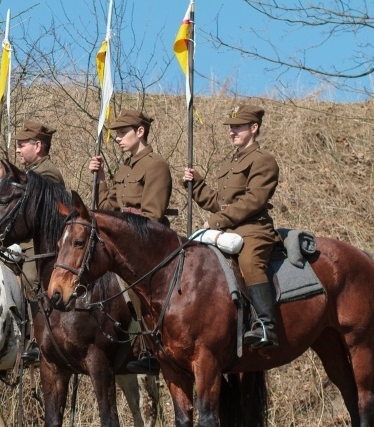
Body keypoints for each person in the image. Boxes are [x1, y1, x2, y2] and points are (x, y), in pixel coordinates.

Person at [184, 104, 281, 348]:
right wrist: (196, 185)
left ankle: (266, 325)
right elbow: (220, 203)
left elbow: (253, 201)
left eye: (238, 127)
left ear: (254, 128)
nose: (232, 131)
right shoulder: (229, 164)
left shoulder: (264, 161)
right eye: (231, 127)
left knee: (249, 262)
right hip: (228, 229)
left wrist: (216, 221)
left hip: (254, 229)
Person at [88, 109, 173, 374]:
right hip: (124, 245)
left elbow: (153, 215)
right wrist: (101, 178)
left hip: (149, 245)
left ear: (140, 132)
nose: (117, 138)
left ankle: (150, 346)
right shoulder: (125, 168)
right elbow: (106, 207)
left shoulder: (156, 165)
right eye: (116, 134)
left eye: (123, 133)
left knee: (137, 286)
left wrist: (124, 219)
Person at [0, 119, 65, 364]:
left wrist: (7, 179)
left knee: (31, 277)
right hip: (22, 239)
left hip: (41, 243)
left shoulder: (48, 173)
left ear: (38, 146)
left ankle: (38, 337)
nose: (18, 150)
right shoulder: (30, 173)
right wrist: (1, 182)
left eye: (22, 145)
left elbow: (30, 205)